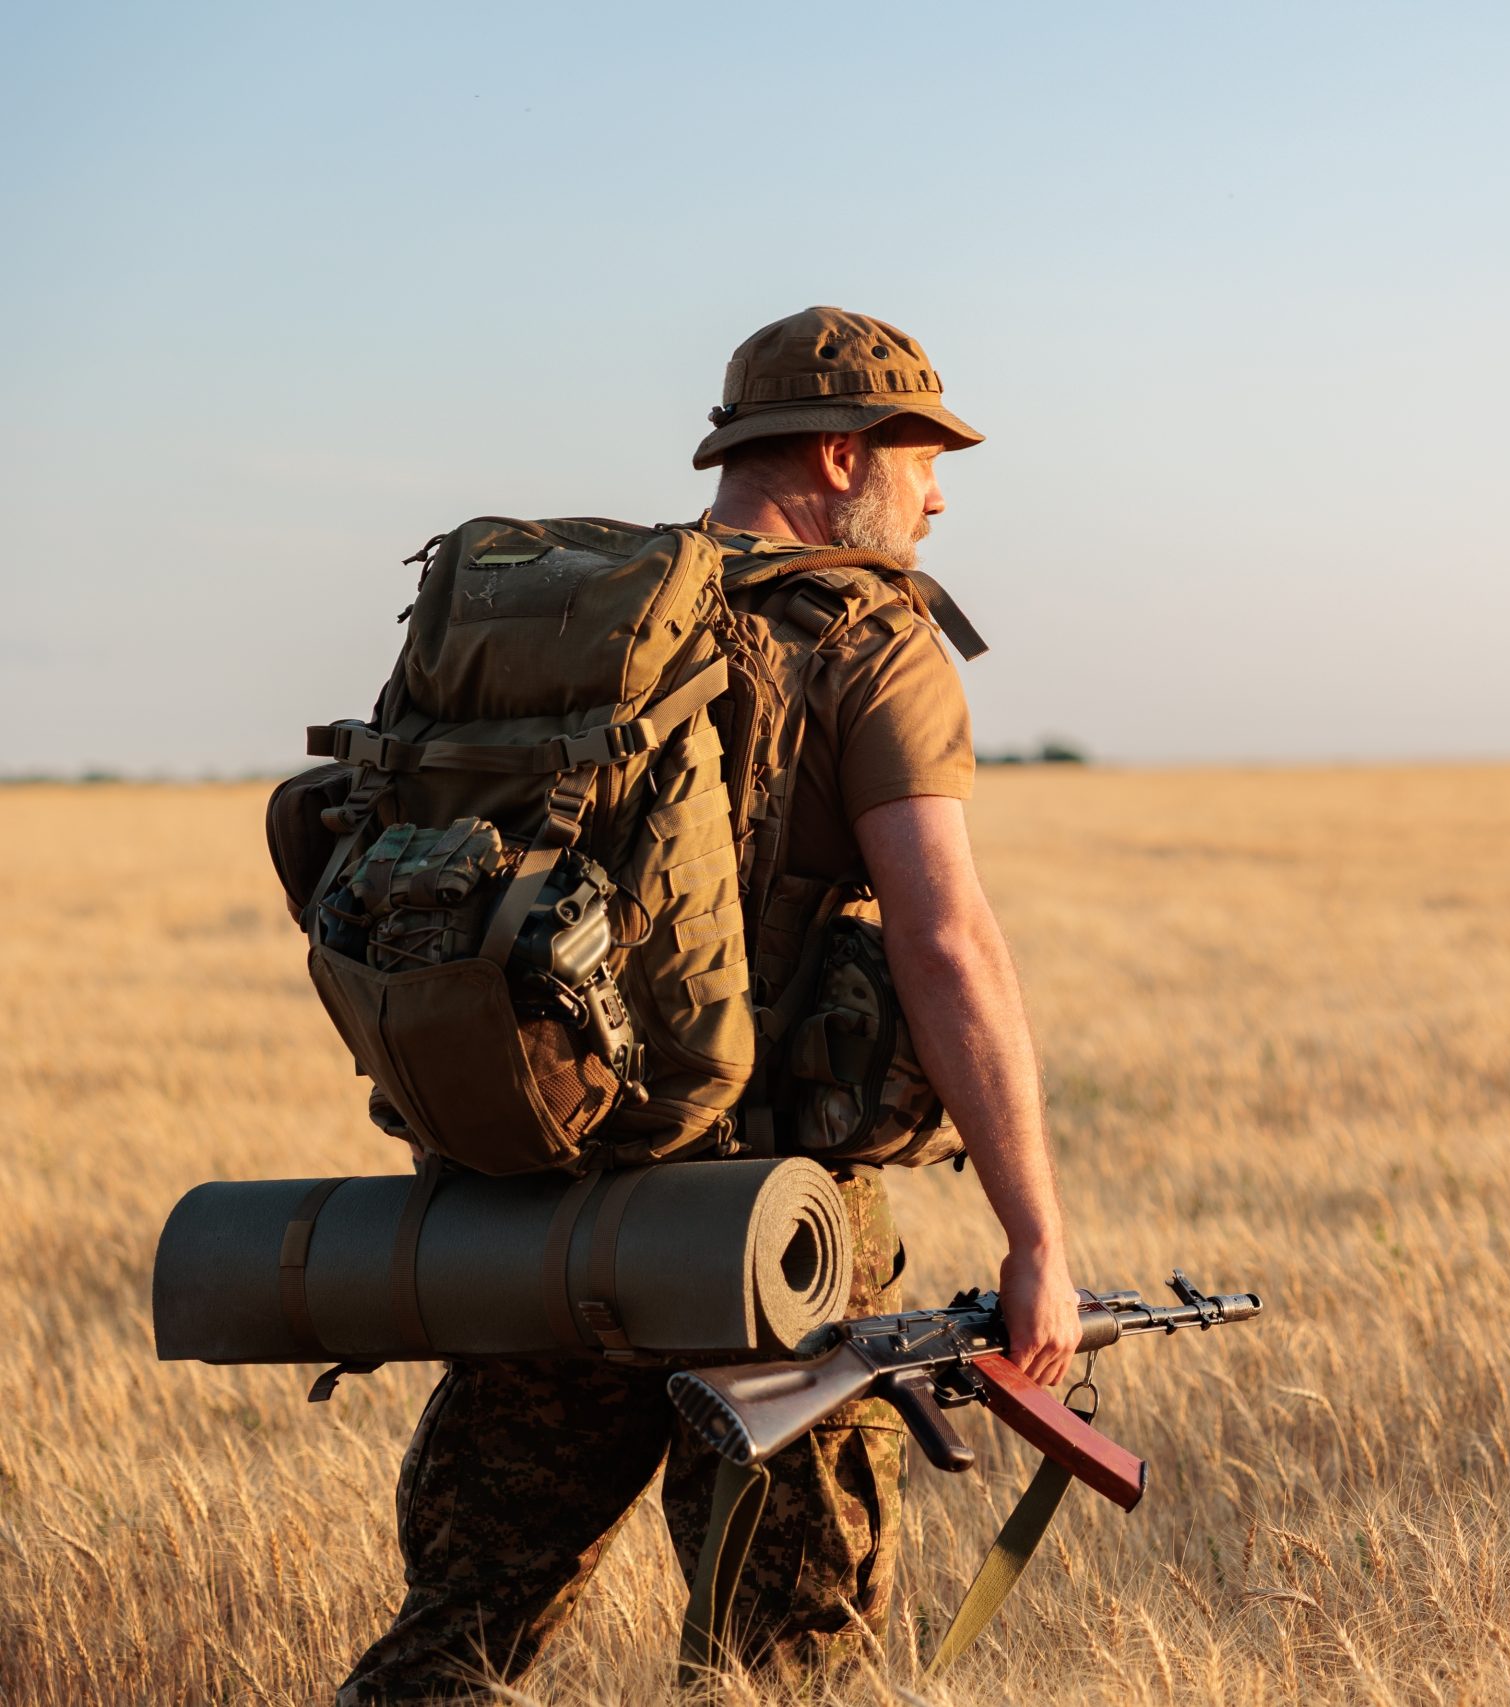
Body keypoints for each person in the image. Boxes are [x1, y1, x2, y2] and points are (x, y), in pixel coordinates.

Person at [338, 307, 1081, 1703]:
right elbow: (946, 938)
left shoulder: (567, 624)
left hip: (531, 1194)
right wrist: (1035, 1231)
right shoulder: (871, 638)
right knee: (783, 1654)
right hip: (766, 1226)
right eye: (924, 455)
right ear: (847, 452)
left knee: (461, 1628)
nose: (939, 492)